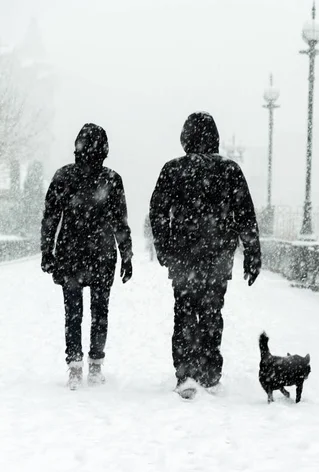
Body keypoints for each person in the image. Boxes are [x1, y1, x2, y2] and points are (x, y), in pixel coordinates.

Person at [149, 111, 261, 397]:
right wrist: (251, 253)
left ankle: (186, 373)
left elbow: (158, 212)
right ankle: (210, 372)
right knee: (212, 313)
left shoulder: (173, 170)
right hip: (218, 256)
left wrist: (164, 246)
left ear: (185, 137)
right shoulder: (229, 170)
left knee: (184, 311)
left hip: (183, 257)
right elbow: (245, 215)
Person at [41, 123, 133, 389]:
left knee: (72, 312)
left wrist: (48, 251)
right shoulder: (112, 180)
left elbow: (51, 218)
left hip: (70, 254)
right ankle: (95, 366)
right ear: (104, 149)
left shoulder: (63, 177)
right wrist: (126, 255)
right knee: (100, 311)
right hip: (102, 255)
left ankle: (74, 368)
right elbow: (120, 222)